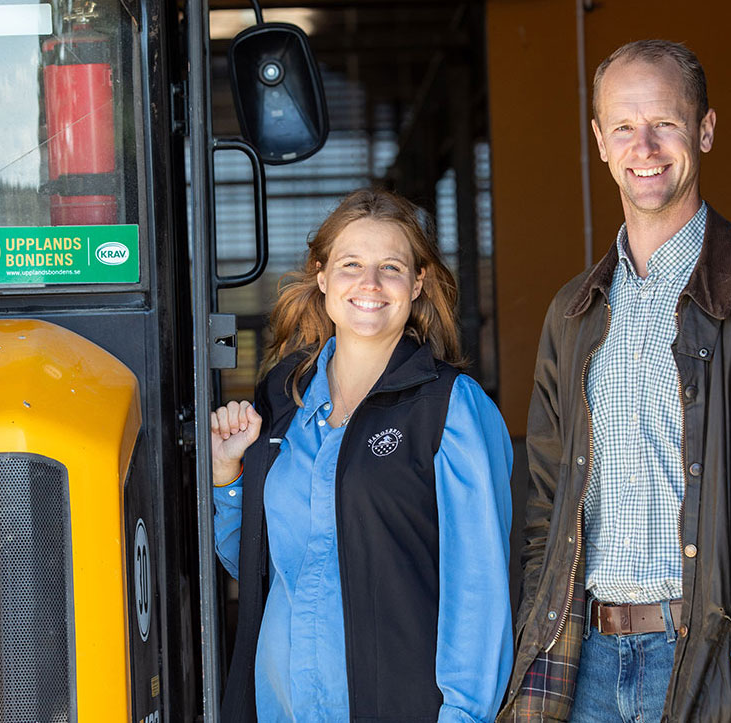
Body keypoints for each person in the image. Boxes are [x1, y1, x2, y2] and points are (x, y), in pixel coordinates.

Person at [499, 40, 731, 722]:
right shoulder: (573, 313)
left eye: (665, 122)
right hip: (585, 667)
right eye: (624, 128)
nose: (645, 146)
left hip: (712, 663)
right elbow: (547, 515)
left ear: (705, 130)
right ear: (600, 142)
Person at [210, 188, 515, 723]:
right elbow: (262, 565)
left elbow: (481, 592)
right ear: (323, 277)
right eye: (351, 264)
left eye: (390, 267)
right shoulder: (283, 395)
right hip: (281, 707)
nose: (369, 284)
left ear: (417, 283)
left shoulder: (451, 407)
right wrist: (227, 477)